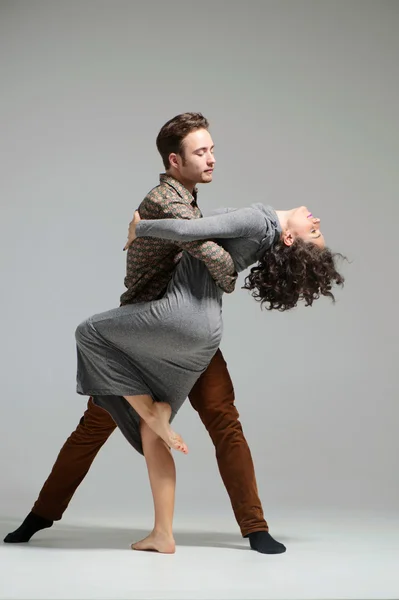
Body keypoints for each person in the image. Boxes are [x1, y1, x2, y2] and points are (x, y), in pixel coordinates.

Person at [4, 113, 286, 555]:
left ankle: (256, 528)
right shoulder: (165, 200)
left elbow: (207, 242)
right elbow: (215, 257)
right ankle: (40, 516)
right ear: (175, 161)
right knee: (93, 427)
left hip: (176, 329)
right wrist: (233, 260)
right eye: (201, 152)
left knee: (224, 420)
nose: (212, 158)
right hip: (142, 332)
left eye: (212, 149)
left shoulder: (188, 198)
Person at [73, 201, 343, 553]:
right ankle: (163, 532)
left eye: (315, 231)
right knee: (163, 426)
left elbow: (189, 232)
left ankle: (150, 414)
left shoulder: (260, 221)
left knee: (89, 335)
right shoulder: (264, 235)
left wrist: (139, 228)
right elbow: (203, 242)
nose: (317, 219)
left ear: (289, 238)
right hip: (206, 329)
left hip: (182, 319)